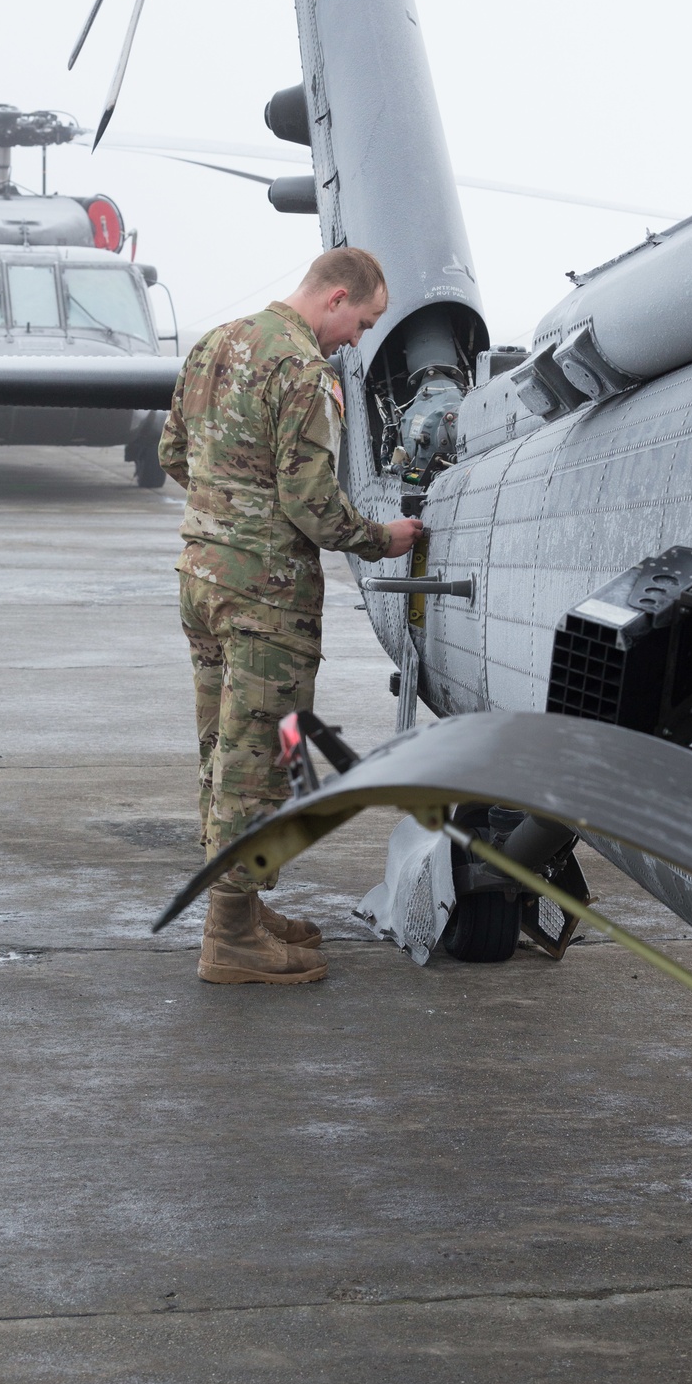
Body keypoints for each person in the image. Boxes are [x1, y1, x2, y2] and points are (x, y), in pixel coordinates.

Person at [158, 247, 423, 986]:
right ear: (337, 298)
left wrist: (229, 512)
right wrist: (381, 538)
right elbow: (310, 504)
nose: (357, 340)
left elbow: (175, 452)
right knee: (258, 766)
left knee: (220, 752)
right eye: (362, 323)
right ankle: (231, 938)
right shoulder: (304, 371)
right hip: (263, 602)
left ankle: (237, 910)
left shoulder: (217, 342)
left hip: (202, 582)